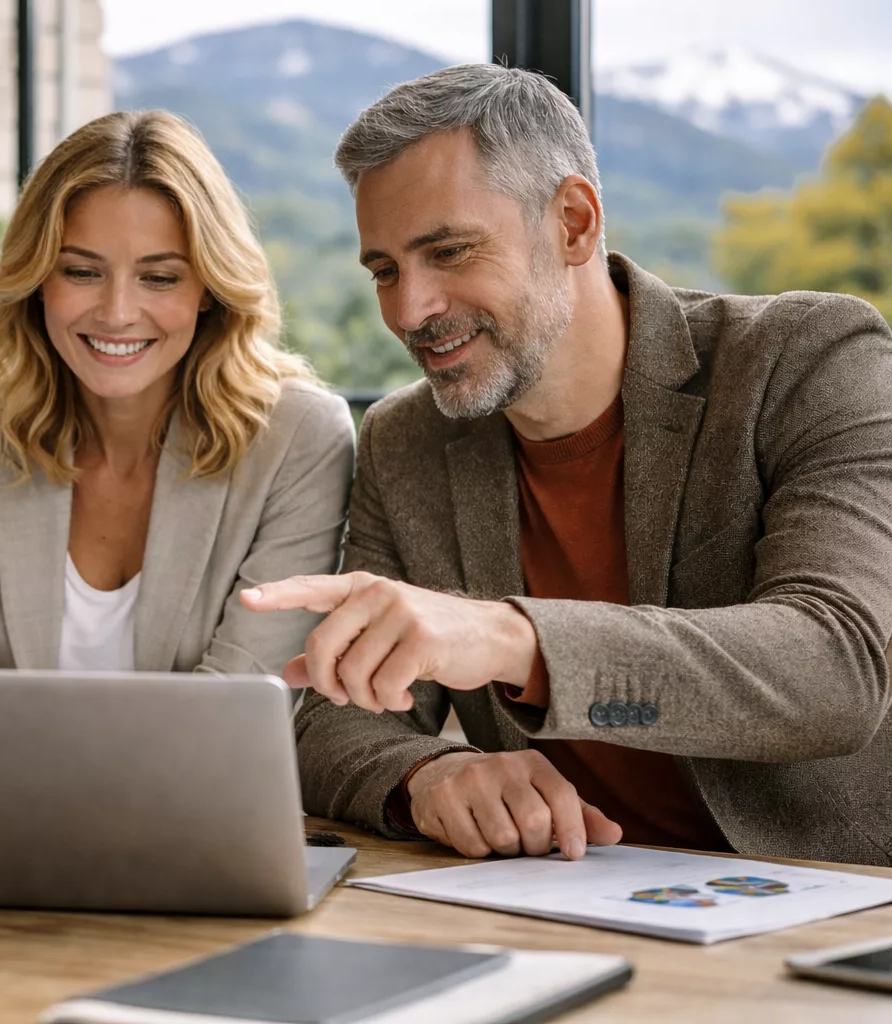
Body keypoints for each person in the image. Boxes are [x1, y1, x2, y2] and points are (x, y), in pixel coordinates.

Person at [243, 64, 892, 867]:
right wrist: (428, 774)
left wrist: (512, 639)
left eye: (449, 251)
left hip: (829, 899)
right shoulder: (404, 440)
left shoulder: (808, 358)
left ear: (574, 223)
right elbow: (337, 718)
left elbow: (836, 670)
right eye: (385, 271)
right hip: (553, 897)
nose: (409, 310)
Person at [0, 110, 353, 676]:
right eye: (81, 272)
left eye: (159, 278)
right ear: (37, 280)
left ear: (209, 289)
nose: (116, 314)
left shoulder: (300, 439)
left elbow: (240, 703)